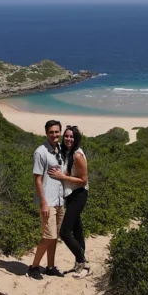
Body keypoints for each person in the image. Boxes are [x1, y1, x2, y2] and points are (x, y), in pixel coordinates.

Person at [48, 125, 91, 278]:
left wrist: (62, 177)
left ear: (76, 138)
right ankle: (81, 265)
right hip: (71, 194)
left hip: (79, 194)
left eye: (71, 136)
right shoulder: (67, 151)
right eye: (66, 136)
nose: (68, 139)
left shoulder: (77, 156)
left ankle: (83, 261)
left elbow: (83, 180)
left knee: (65, 232)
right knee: (78, 230)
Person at [28, 119, 66, 280]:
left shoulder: (61, 150)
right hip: (48, 201)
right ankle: (34, 266)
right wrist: (43, 202)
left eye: (57, 132)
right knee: (48, 236)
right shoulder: (40, 152)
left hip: (60, 200)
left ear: (60, 132)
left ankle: (50, 267)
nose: (54, 135)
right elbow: (37, 179)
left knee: (55, 236)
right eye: (51, 132)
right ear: (46, 133)